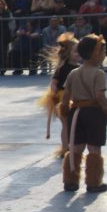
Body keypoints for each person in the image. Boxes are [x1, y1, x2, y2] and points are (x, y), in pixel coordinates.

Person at [63, 35, 107, 193]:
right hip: (94, 113)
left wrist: (64, 109)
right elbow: (100, 97)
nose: (104, 54)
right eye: (103, 51)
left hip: (75, 112)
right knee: (94, 147)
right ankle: (94, 182)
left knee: (75, 147)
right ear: (96, 54)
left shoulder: (73, 73)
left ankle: (70, 181)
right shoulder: (98, 74)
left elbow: (66, 95)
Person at [38, 32, 78, 174]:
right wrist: (54, 95)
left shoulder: (77, 67)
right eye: (75, 51)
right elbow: (54, 83)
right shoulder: (63, 68)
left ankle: (71, 146)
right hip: (63, 98)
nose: (78, 53)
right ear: (68, 53)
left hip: (76, 98)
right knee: (66, 124)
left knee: (73, 124)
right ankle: (65, 147)